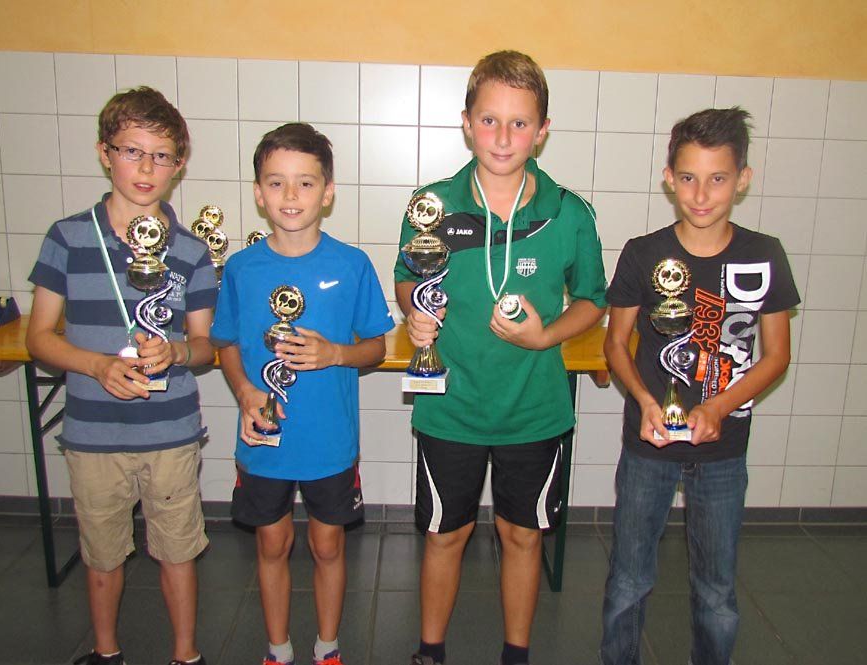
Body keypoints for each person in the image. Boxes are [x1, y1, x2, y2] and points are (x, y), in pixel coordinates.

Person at [394, 50, 607, 665]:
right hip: (450, 406)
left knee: (522, 535)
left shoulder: (568, 212)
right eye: (489, 120)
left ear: (542, 131)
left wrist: (545, 337)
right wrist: (414, 309)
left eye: (520, 123)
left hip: (533, 410)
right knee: (446, 534)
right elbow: (408, 277)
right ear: (467, 123)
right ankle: (430, 651)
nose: (504, 137)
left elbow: (593, 299)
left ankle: (517, 653)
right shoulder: (432, 204)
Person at [599, 107, 800, 665]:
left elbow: (777, 355)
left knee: (716, 590)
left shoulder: (765, 254)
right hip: (649, 447)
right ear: (669, 178)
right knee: (628, 581)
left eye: (718, 178)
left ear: (743, 179)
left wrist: (719, 406)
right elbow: (616, 344)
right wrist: (644, 401)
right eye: (688, 177)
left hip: (724, 449)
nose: (702, 194)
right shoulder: (643, 253)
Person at [26, 86, 217, 665]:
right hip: (94, 432)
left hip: (170, 429)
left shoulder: (191, 251)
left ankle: (186, 654)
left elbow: (205, 346)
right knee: (103, 555)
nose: (146, 168)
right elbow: (39, 338)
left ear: (179, 164)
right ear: (104, 153)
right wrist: (98, 365)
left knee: (178, 552)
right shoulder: (67, 237)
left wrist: (175, 353)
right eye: (132, 151)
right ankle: (105, 652)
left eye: (161, 156)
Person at [211, 123, 393, 665]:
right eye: (276, 182)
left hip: (329, 441)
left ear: (328, 192)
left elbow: (376, 347)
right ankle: (278, 649)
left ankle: (327, 647)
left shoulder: (352, 264)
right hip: (264, 438)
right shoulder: (240, 268)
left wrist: (335, 353)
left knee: (327, 546)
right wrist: (244, 391)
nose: (290, 196)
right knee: (272, 544)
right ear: (258, 192)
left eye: (306, 183)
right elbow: (224, 342)